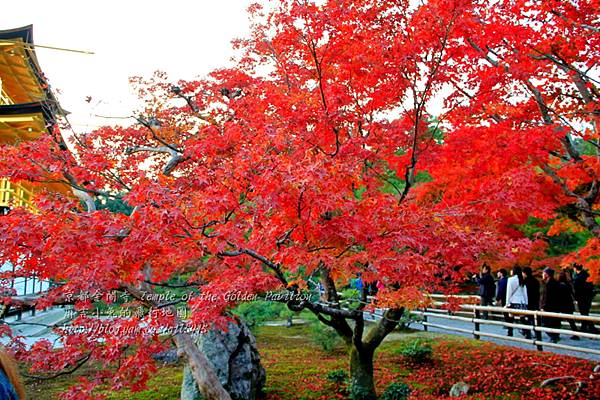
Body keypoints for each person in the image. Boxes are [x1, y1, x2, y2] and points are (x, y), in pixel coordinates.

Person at [505, 265, 530, 339]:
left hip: (513, 301)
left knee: (510, 317)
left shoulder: (511, 280)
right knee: (522, 318)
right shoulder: (522, 279)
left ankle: (510, 332)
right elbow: (525, 292)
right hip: (521, 301)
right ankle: (527, 333)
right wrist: (526, 302)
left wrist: (507, 303)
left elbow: (509, 292)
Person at [573, 263, 597, 333]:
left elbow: (576, 290)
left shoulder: (577, 278)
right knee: (585, 313)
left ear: (575, 268)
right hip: (588, 297)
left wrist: (575, 298)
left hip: (582, 298)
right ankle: (584, 328)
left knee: (584, 313)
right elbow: (591, 286)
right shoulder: (587, 275)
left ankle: (591, 329)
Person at [540, 267, 562, 343]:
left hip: (549, 307)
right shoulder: (556, 283)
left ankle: (553, 337)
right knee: (555, 322)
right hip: (556, 306)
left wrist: (543, 307)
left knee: (545, 322)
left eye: (543, 273)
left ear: (547, 274)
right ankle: (556, 336)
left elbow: (546, 297)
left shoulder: (548, 284)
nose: (542, 274)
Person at [558, 269, 580, 340]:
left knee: (558, 319)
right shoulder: (568, 284)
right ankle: (575, 334)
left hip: (562, 304)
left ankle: (556, 333)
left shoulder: (559, 285)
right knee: (571, 320)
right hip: (569, 304)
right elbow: (573, 294)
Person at [522, 267, 540, 335]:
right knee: (534, 319)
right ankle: (537, 333)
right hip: (535, 301)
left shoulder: (525, 282)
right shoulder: (536, 281)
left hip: (527, 302)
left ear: (525, 273)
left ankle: (527, 332)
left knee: (526, 318)